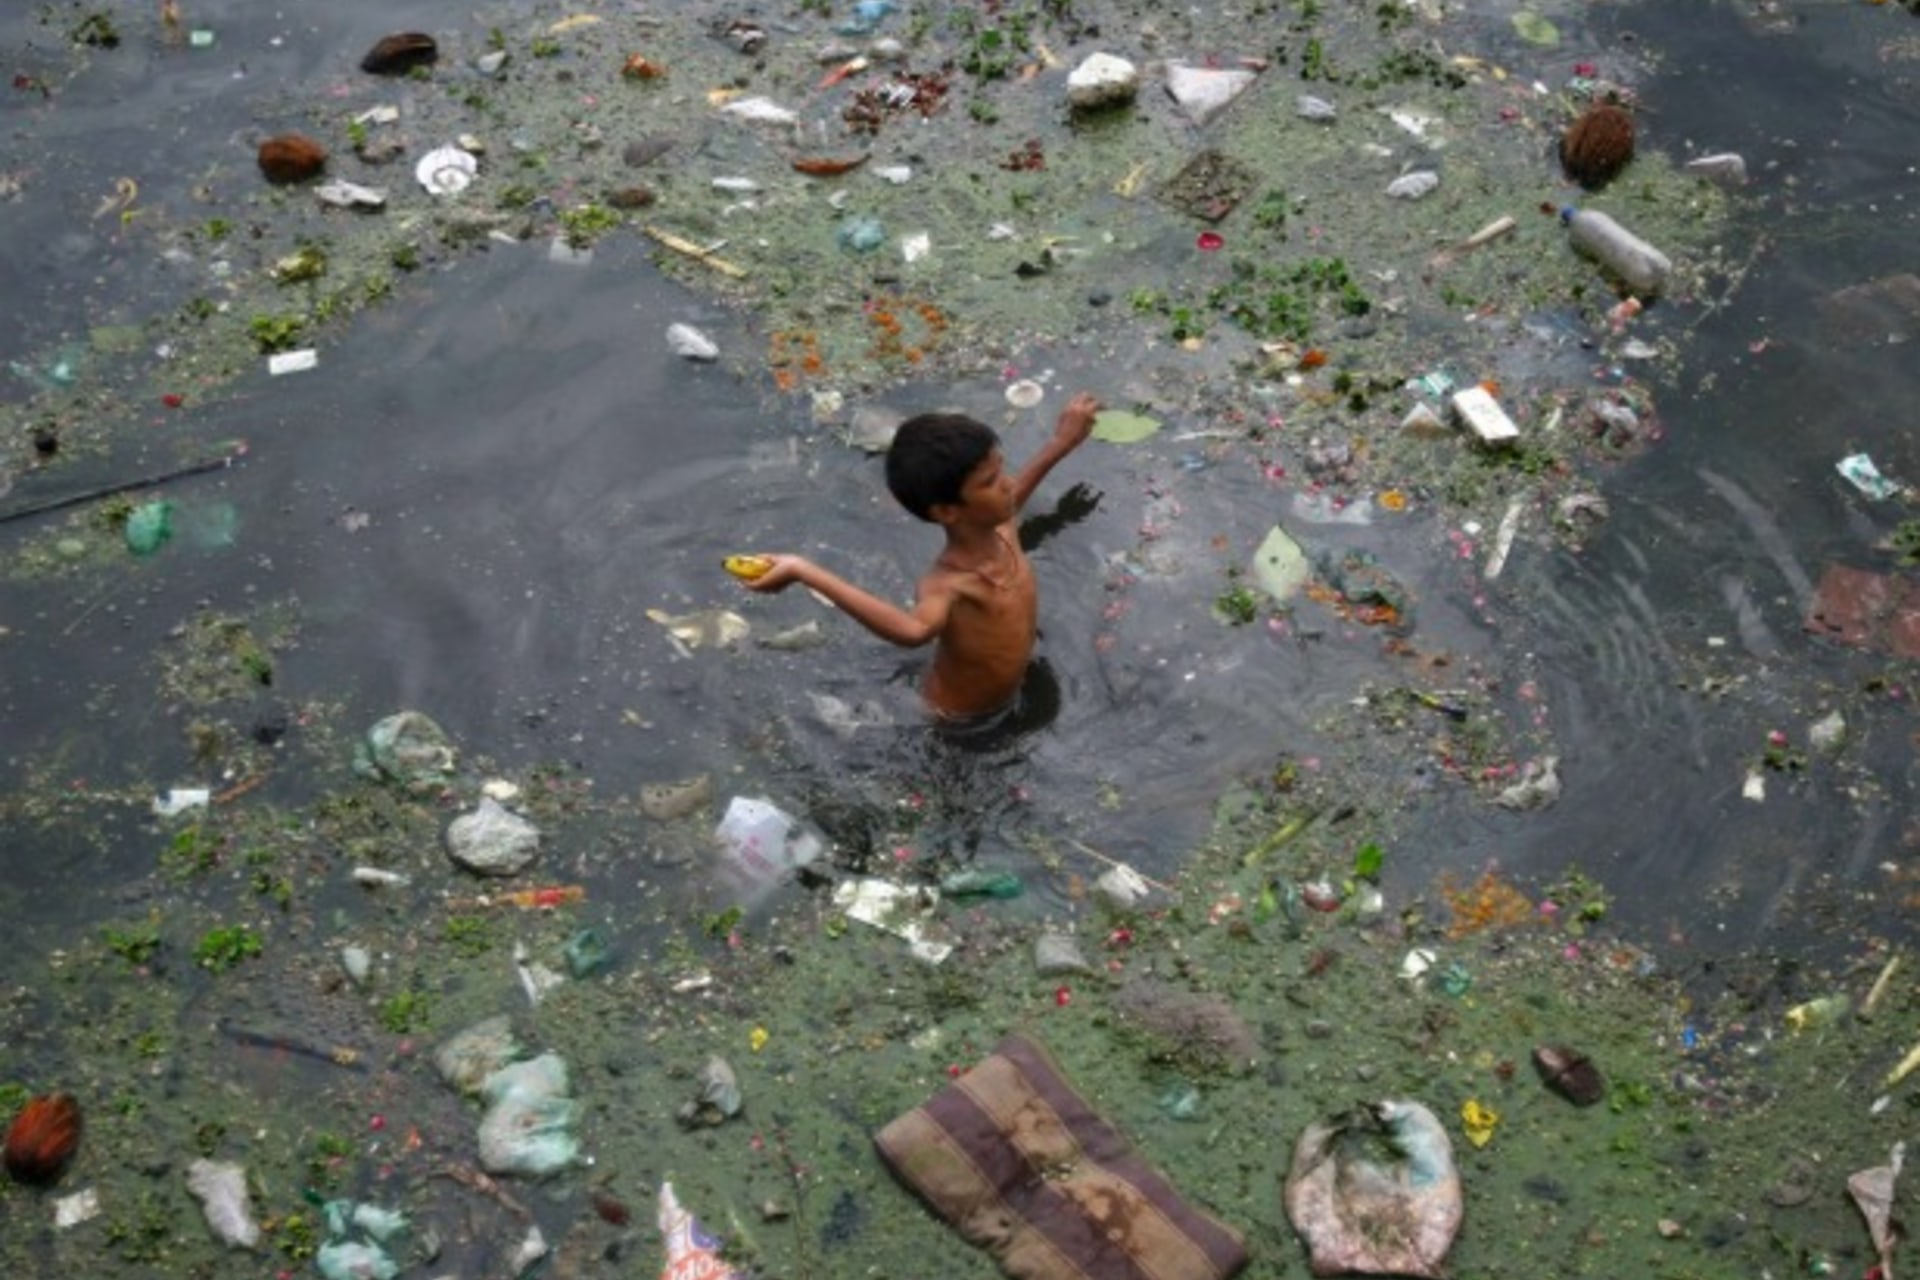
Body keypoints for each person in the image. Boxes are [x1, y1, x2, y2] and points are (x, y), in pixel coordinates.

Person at [742, 392, 1101, 721]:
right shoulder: (949, 585)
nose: (1007, 483)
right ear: (946, 512)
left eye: (1001, 470)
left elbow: (1013, 499)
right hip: (958, 719)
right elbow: (913, 631)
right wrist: (803, 570)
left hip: (1012, 691)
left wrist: (1062, 443)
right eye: (990, 482)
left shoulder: (1001, 529)